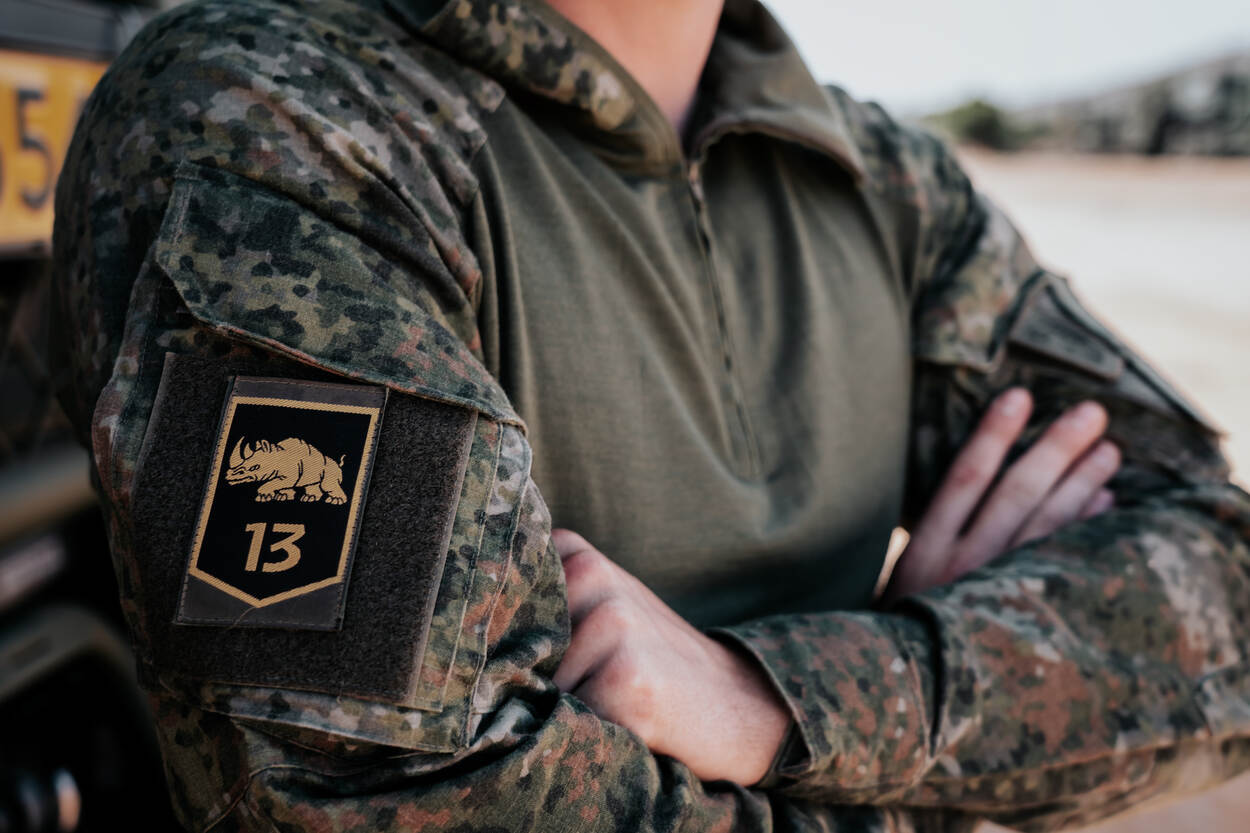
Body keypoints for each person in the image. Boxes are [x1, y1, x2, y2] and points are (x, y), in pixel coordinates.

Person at [50, 0, 1250, 830]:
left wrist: (789, 699)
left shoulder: (887, 184)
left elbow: (1224, 594)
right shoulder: (280, 110)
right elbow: (388, 797)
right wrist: (931, 781)